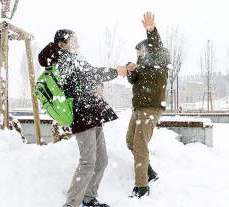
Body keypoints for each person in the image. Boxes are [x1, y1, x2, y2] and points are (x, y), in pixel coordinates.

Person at [38, 29, 127, 207]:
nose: (76, 42)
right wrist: (114, 72)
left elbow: (87, 78)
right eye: (72, 39)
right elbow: (89, 74)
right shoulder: (63, 59)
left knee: (102, 161)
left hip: (93, 113)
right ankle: (71, 204)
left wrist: (98, 86)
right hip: (82, 115)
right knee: (88, 162)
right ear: (62, 44)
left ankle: (89, 198)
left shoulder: (74, 57)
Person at [125, 12, 171, 198]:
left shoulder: (158, 59)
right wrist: (130, 70)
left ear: (147, 49)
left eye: (139, 51)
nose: (138, 55)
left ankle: (142, 186)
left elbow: (156, 46)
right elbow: (133, 80)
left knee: (139, 144)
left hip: (151, 108)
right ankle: (149, 171)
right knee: (130, 141)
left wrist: (151, 31)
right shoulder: (142, 66)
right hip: (139, 109)